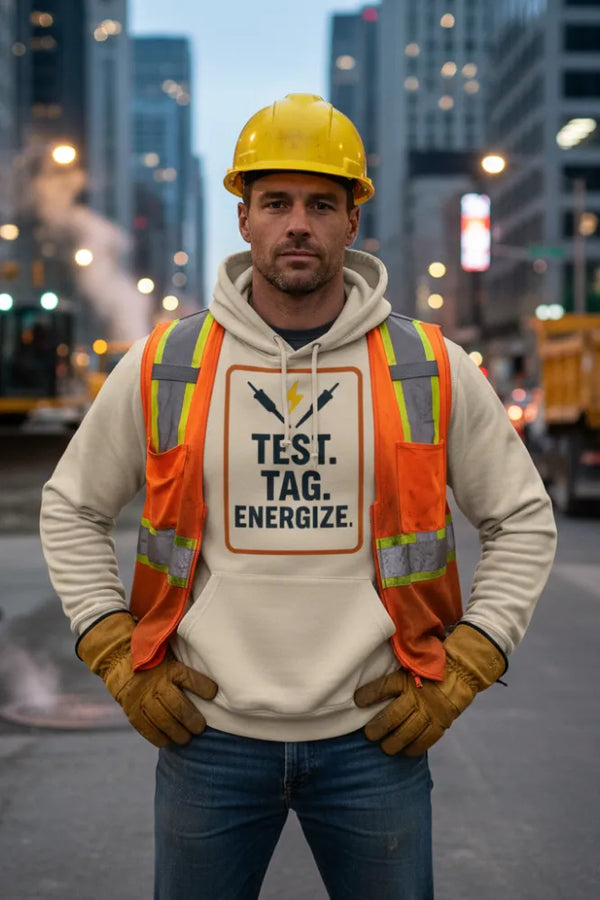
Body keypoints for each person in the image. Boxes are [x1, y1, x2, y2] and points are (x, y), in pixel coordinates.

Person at [40, 93, 557, 900]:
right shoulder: (167, 364)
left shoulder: (427, 365)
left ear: (353, 222)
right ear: (243, 218)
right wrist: (111, 648)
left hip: (375, 740)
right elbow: (70, 506)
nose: (298, 225)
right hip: (208, 738)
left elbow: (522, 517)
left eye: (322, 204)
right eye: (275, 203)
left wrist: (475, 656)